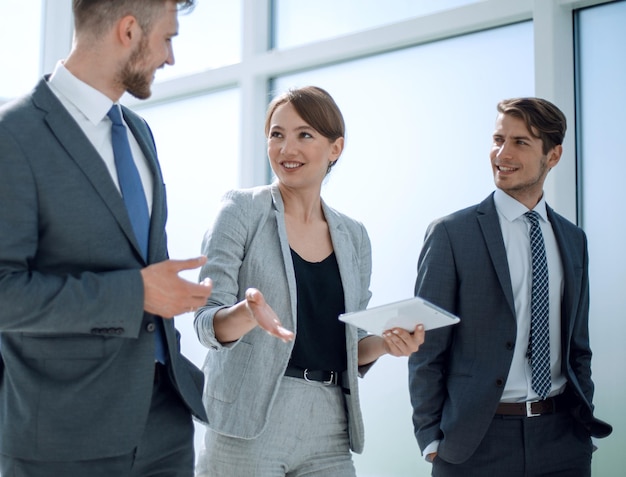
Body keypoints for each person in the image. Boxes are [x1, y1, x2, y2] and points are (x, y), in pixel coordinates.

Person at [0, 1, 213, 476]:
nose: (170, 57)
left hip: (164, 426)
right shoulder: (12, 137)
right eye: (168, 38)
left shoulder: (138, 133)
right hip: (63, 438)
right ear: (129, 31)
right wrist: (136, 293)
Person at [194, 85, 425, 477]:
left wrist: (385, 344)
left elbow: (347, 345)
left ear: (335, 148)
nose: (287, 149)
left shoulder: (354, 236)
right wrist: (247, 314)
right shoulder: (240, 211)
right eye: (277, 135)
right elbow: (205, 322)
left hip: (329, 425)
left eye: (304, 135)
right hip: (249, 419)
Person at [408, 97, 612, 477]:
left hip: (562, 440)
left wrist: (581, 426)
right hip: (474, 444)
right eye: (498, 139)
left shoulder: (573, 239)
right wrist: (431, 439)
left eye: (521, 142)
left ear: (553, 156)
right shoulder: (452, 234)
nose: (503, 153)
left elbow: (577, 347)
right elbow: (426, 349)